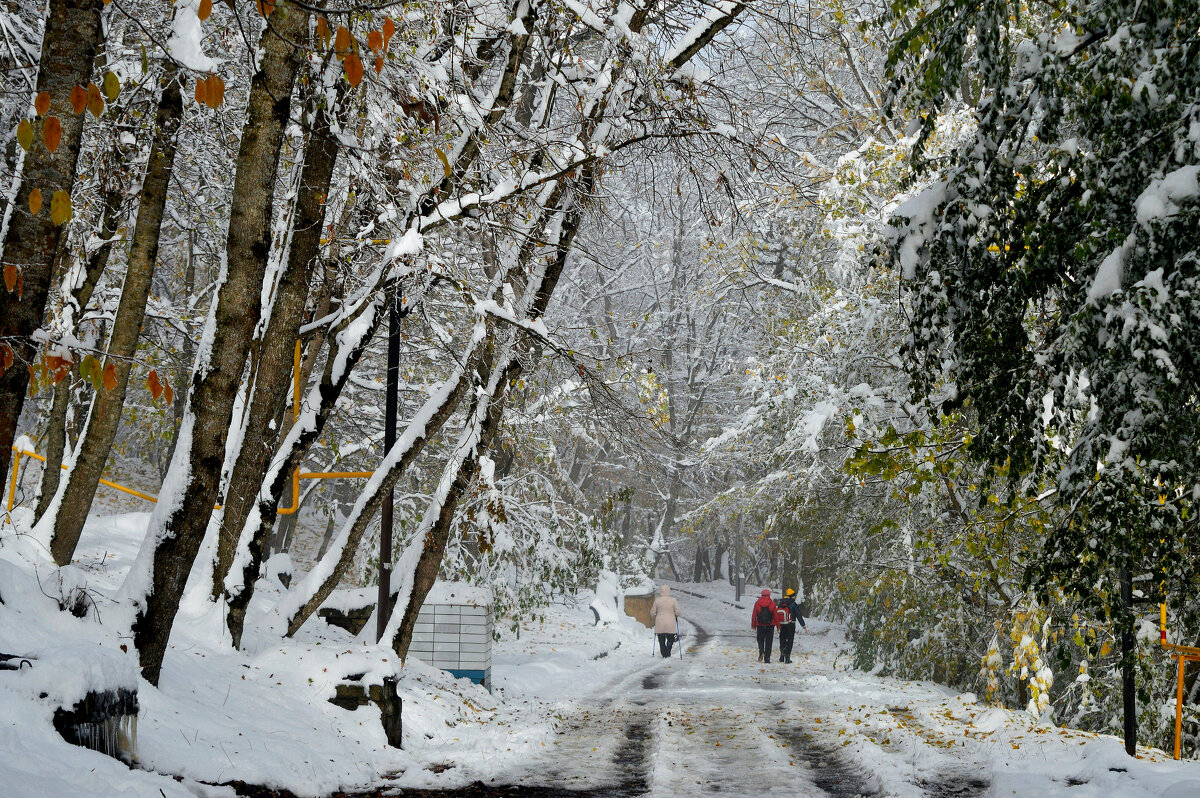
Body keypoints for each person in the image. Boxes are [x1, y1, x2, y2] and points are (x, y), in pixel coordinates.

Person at [650, 585, 682, 658]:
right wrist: (675, 615)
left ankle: (664, 653)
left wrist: (654, 618)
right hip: (670, 622)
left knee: (661, 640)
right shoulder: (673, 600)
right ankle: (668, 649)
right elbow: (678, 612)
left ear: (661, 591)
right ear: (669, 591)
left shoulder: (657, 600)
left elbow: (652, 612)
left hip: (660, 622)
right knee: (671, 638)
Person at [776, 588, 806, 663]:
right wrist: (803, 625)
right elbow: (798, 615)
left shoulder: (781, 602)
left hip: (782, 624)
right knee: (790, 639)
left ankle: (782, 654)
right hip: (791, 624)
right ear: (792, 596)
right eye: (794, 596)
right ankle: (787, 657)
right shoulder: (793, 604)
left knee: (782, 639)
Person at [750, 589, 778, 662]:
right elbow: (776, 616)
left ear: (762, 595)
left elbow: (754, 615)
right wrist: (778, 626)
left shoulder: (757, 603)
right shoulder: (772, 603)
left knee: (760, 639)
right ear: (769, 595)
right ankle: (767, 658)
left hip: (760, 625)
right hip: (770, 625)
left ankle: (761, 651)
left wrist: (753, 625)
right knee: (769, 641)